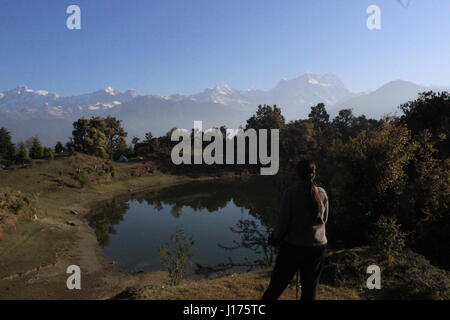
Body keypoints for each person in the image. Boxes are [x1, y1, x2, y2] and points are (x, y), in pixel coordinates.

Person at [262, 160, 329, 300]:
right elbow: (324, 220)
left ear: (297, 174)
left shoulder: (291, 193)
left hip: (294, 246)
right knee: (310, 289)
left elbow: (283, 222)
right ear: (314, 174)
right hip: (318, 246)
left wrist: (275, 238)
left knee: (277, 285)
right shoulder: (322, 193)